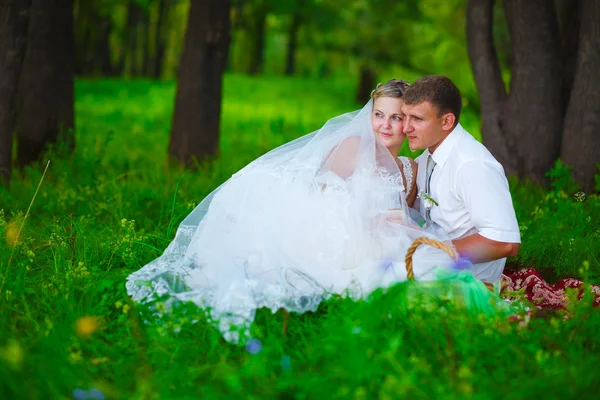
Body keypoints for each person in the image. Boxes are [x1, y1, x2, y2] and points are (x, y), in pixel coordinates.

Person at [125, 80, 478, 343]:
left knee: (425, 265)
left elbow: (406, 212)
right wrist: (364, 220)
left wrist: (400, 222)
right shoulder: (354, 147)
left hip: (381, 237)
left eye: (397, 118)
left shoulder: (408, 169)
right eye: (378, 115)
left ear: (410, 123)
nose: (385, 125)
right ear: (368, 117)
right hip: (339, 230)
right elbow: (320, 198)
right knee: (367, 275)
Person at [401, 75, 521, 287]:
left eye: (417, 119)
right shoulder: (429, 155)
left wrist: (433, 251)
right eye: (404, 117)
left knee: (386, 278)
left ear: (446, 121)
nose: (405, 128)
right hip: (433, 255)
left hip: (470, 274)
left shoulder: (472, 165)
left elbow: (505, 243)